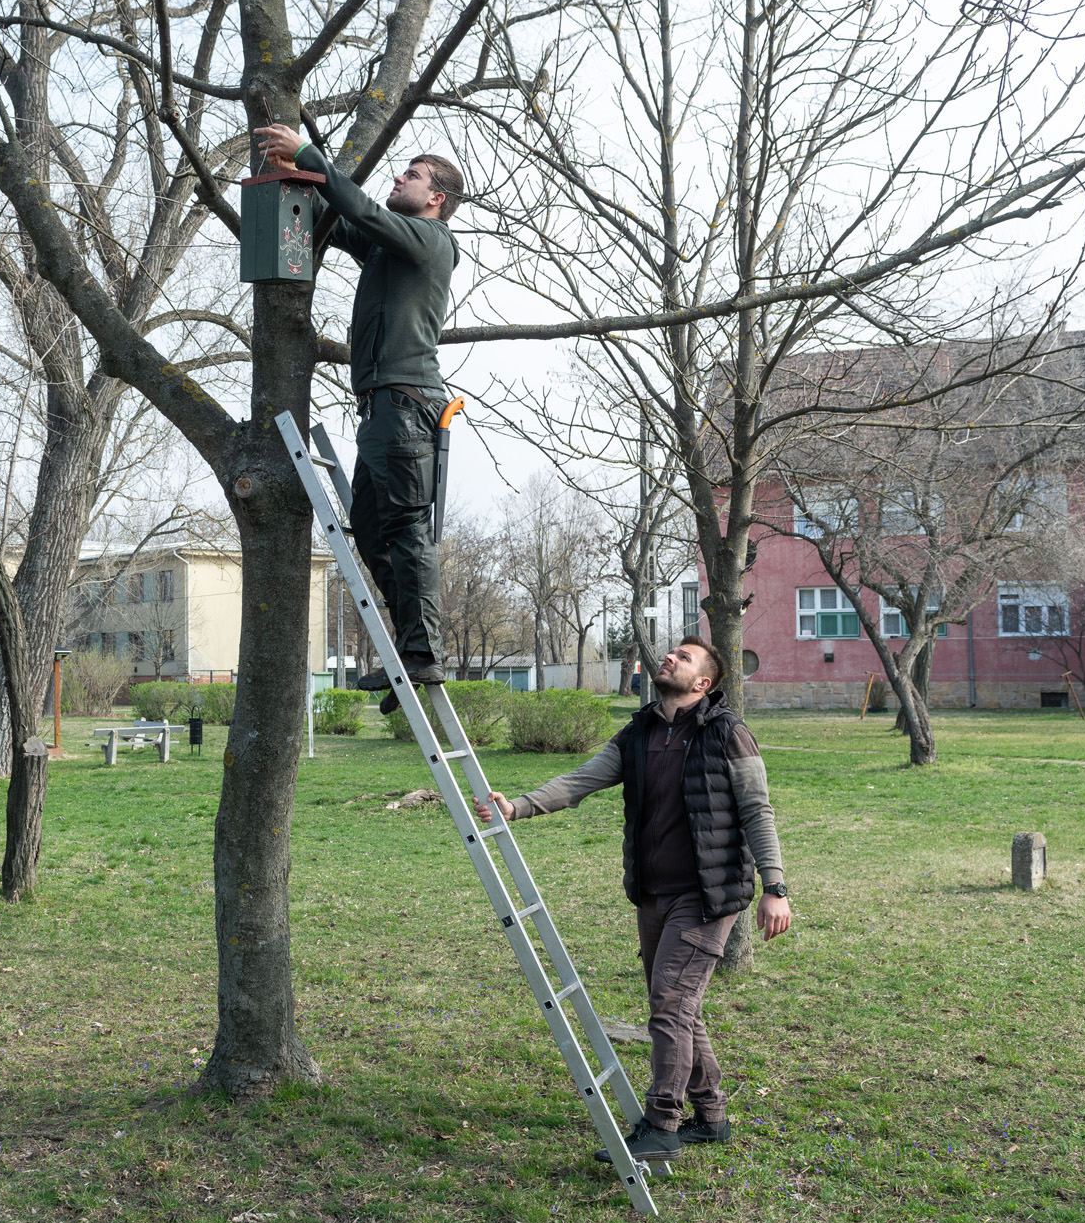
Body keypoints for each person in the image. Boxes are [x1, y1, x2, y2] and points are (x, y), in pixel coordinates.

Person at [475, 636, 792, 1164]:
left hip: (709, 895)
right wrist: (520, 807)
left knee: (669, 1003)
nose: (669, 657)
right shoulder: (639, 730)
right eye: (671, 652)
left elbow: (757, 811)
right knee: (679, 1008)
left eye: (683, 657)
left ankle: (662, 1123)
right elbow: (582, 780)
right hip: (652, 893)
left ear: (702, 683)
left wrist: (775, 887)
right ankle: (711, 1117)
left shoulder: (728, 733)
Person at [253, 122, 463, 700]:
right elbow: (346, 222)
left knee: (405, 529)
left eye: (412, 175)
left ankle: (424, 653)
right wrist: (295, 179)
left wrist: (312, 156)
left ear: (436, 199)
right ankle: (411, 649)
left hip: (407, 404)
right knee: (371, 532)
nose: (399, 176)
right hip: (380, 411)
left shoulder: (431, 240)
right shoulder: (390, 247)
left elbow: (366, 213)